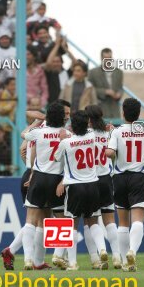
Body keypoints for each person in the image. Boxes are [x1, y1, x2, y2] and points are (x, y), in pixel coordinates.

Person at [105, 98, 144, 271]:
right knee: (138, 220)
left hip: (119, 177)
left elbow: (110, 153)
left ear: (123, 113)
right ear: (139, 114)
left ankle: (124, 261)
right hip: (138, 177)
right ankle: (132, 253)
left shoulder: (117, 132)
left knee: (122, 222)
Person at [54, 110, 107, 271]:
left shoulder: (66, 142)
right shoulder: (91, 136)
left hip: (75, 186)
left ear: (72, 126)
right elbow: (97, 130)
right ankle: (102, 250)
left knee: (72, 225)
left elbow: (56, 158)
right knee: (93, 222)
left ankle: (73, 262)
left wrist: (63, 138)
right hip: (93, 184)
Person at [21, 102, 68, 270]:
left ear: (48, 117)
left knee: (31, 220)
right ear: (63, 117)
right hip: (56, 180)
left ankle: (28, 259)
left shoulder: (38, 133)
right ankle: (57, 255)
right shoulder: (67, 134)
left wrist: (35, 121)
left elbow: (24, 134)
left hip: (38, 178)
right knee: (61, 220)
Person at [85, 104, 121, 269]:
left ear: (88, 119)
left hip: (90, 179)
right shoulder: (109, 133)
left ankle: (98, 254)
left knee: (90, 221)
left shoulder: (85, 135)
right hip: (106, 178)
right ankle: (117, 256)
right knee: (110, 220)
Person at [88, 48, 124, 119]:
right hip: (100, 111)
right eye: (105, 58)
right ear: (101, 58)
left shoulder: (119, 72)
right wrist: (105, 92)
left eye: (110, 58)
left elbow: (120, 87)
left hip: (115, 111)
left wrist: (119, 93)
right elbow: (89, 90)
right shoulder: (93, 72)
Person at [43, 34, 75, 103]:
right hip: (53, 104)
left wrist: (64, 47)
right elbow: (48, 63)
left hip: (67, 104)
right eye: (54, 62)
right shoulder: (49, 73)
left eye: (58, 61)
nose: (56, 63)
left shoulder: (67, 72)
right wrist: (57, 45)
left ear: (62, 62)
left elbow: (74, 62)